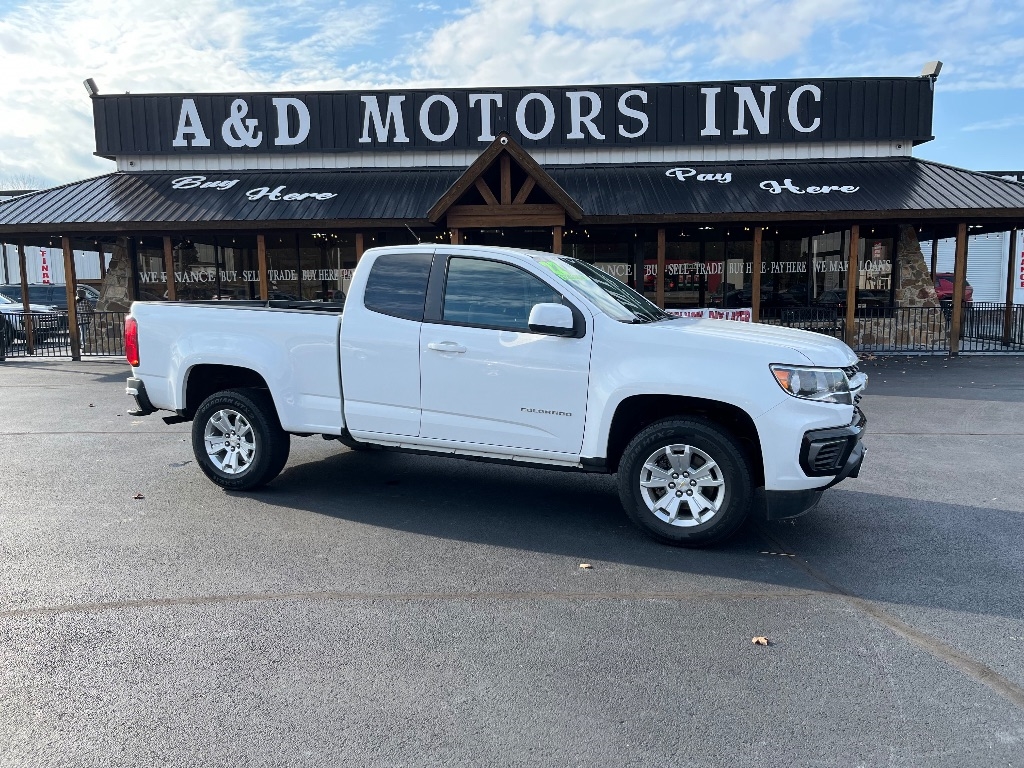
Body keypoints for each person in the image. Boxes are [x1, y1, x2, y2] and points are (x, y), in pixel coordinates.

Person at [75, 286, 93, 350]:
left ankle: (83, 343)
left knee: (82, 332)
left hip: (80, 319)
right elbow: (91, 308)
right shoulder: (86, 301)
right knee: (88, 332)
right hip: (87, 318)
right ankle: (89, 343)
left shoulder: (75, 302)